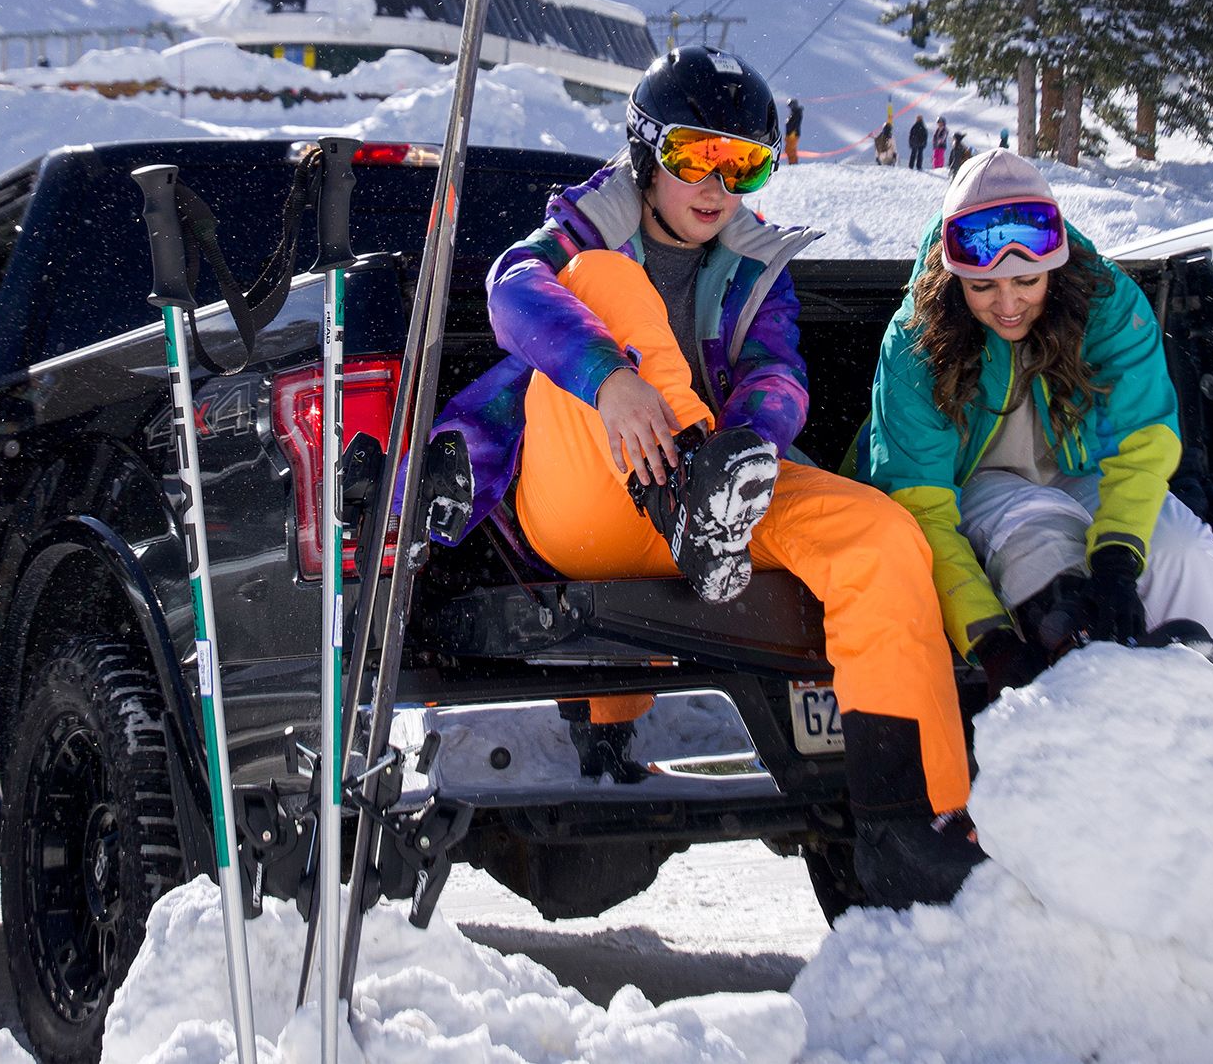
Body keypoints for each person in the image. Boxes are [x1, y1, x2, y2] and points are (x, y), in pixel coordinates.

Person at [433, 47, 1020, 908]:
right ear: (645, 151)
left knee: (883, 538)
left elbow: (779, 375)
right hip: (589, 498)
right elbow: (510, 288)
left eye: (744, 164)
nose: (717, 184)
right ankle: (695, 495)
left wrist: (745, 443)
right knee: (599, 276)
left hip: (711, 503)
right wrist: (612, 379)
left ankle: (912, 824)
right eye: (694, 156)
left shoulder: (754, 262)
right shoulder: (582, 231)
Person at [857, 150, 1213, 741]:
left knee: (1184, 551)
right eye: (983, 286)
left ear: (1054, 266)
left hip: (1083, 468)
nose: (1008, 305)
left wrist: (1117, 561)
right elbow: (922, 505)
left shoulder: (1106, 303)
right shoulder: (915, 342)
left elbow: (1142, 442)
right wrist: (990, 639)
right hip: (975, 485)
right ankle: (1090, 702)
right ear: (954, 278)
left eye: (1027, 281)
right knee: (1037, 536)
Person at [784, 98, 805, 165]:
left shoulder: (797, 113)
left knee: (791, 149)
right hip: (790, 134)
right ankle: (791, 162)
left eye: (791, 106)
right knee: (788, 149)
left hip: (793, 134)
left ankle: (793, 163)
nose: (790, 108)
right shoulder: (794, 113)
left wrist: (793, 132)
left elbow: (796, 124)